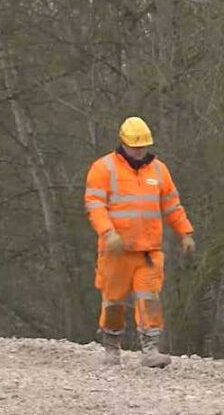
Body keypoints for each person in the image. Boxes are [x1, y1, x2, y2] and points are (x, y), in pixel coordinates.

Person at [84, 116, 195, 368]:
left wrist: (185, 233)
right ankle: (112, 347)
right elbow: (95, 205)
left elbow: (172, 205)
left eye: (143, 146)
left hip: (149, 250)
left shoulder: (159, 170)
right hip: (116, 251)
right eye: (135, 146)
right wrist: (107, 232)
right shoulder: (103, 168)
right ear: (123, 142)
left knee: (150, 299)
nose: (139, 150)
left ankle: (151, 350)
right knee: (114, 301)